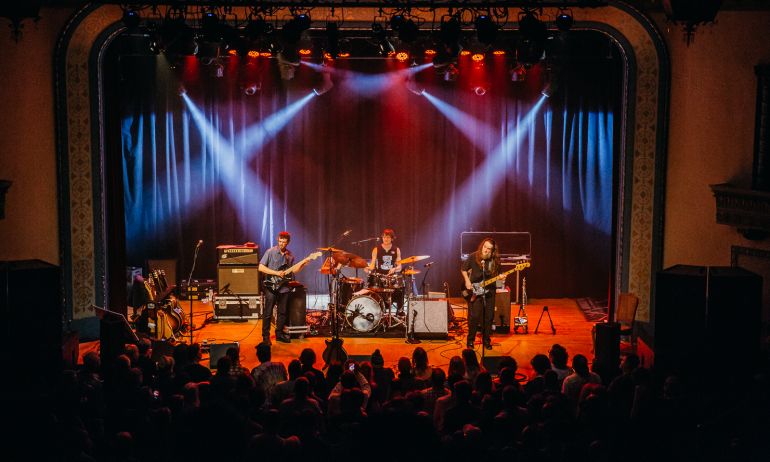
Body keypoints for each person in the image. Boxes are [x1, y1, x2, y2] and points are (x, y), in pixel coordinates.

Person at [259, 231, 311, 344]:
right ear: (278, 240)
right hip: (270, 286)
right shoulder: (270, 252)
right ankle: (265, 337)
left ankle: (279, 334)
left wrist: (303, 263)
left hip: (284, 287)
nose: (281, 244)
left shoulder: (290, 255)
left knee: (282, 312)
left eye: (284, 242)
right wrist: (276, 273)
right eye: (280, 241)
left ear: (288, 242)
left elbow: (294, 271)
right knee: (268, 313)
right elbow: (261, 267)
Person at [461, 237, 501, 349]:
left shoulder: (495, 260)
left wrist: (501, 278)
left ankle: (487, 341)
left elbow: (499, 276)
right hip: (475, 290)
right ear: (482, 246)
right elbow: (463, 269)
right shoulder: (474, 256)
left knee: (489, 317)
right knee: (475, 316)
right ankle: (470, 341)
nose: (486, 250)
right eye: (485, 247)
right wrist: (467, 281)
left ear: (493, 251)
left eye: (489, 249)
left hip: (490, 290)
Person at [367, 228, 404, 314]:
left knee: (400, 289)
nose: (385, 239)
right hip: (380, 278)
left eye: (387, 237)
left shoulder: (396, 249)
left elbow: (400, 267)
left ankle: (400, 312)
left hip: (392, 279)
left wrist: (395, 268)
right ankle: (378, 312)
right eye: (384, 237)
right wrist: (366, 267)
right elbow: (372, 265)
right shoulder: (376, 249)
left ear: (392, 238)